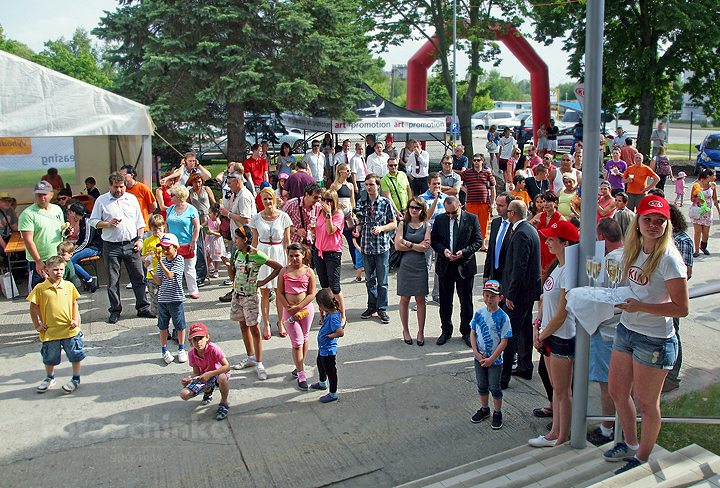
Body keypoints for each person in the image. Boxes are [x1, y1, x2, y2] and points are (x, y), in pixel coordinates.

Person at [605, 195, 688, 475]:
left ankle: (642, 456)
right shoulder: (635, 249)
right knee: (617, 391)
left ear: (667, 225)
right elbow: (636, 289)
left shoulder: (670, 259)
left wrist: (640, 306)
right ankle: (629, 443)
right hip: (627, 330)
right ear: (637, 222)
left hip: (654, 340)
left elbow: (681, 308)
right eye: (647, 219)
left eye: (660, 220)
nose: (653, 225)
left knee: (646, 403)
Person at [528, 220, 578, 448]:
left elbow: (561, 315)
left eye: (551, 239)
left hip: (560, 337)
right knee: (556, 390)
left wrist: (542, 334)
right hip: (548, 334)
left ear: (565, 243)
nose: (546, 241)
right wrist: (537, 326)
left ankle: (560, 435)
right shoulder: (557, 265)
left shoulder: (570, 272)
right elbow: (543, 302)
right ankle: (556, 430)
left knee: (561, 391)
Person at [89, 173, 153, 323]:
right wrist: (107, 224)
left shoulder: (131, 199)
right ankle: (115, 310)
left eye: (121, 186)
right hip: (111, 246)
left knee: (138, 277)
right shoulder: (101, 201)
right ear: (110, 186)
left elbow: (140, 221)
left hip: (131, 244)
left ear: (125, 185)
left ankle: (143, 307)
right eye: (115, 187)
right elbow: (92, 221)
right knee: (113, 281)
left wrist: (139, 239)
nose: (119, 189)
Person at [586, 217, 624, 445]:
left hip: (607, 330)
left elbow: (592, 294)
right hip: (628, 328)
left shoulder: (604, 261)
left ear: (601, 238)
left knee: (608, 385)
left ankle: (607, 428)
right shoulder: (633, 255)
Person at [227, 225, 282, 380]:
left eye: (237, 239)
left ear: (245, 240)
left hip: (251, 297)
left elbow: (278, 267)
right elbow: (233, 275)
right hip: (238, 296)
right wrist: (227, 267)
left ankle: (259, 362)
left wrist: (264, 281)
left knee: (255, 329)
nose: (235, 241)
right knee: (243, 326)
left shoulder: (258, 255)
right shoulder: (237, 253)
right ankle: (250, 357)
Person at [431, 196, 484, 346]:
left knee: (466, 301)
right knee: (445, 301)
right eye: (448, 213)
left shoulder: (472, 219)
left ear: (460, 206)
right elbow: (434, 240)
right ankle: (446, 330)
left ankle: (467, 331)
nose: (451, 216)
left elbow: (478, 241)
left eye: (453, 212)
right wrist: (443, 251)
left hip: (464, 266)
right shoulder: (441, 219)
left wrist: (464, 252)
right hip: (445, 266)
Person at [28, 255, 83, 394]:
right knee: (49, 357)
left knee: (75, 354)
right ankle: (49, 377)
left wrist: (75, 320)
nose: (58, 273)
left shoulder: (69, 286)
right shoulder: (40, 288)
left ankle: (76, 378)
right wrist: (37, 325)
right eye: (55, 270)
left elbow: (74, 303)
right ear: (46, 270)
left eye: (61, 270)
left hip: (69, 330)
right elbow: (33, 307)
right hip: (50, 331)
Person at [502, 200, 542, 389]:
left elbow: (519, 266)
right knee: (525, 330)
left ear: (513, 213)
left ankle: (503, 378)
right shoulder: (529, 230)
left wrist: (510, 294)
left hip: (519, 295)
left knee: (509, 335)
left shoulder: (521, 234)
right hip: (527, 294)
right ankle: (525, 366)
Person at [469, 280, 512, 430]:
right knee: (482, 385)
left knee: (495, 387)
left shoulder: (503, 317)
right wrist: (476, 353)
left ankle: (498, 412)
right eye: (486, 296)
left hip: (495, 361)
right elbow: (473, 332)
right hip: (479, 358)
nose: (489, 299)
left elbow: (504, 341)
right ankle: (484, 408)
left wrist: (492, 359)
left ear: (500, 298)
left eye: (492, 296)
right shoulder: (479, 313)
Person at [356, 174, 397, 324]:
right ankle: (371, 306)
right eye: (366, 184)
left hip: (381, 248)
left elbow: (394, 223)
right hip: (366, 247)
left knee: (383, 281)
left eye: (371, 184)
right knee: (370, 280)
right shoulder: (362, 202)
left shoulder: (385, 203)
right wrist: (357, 230)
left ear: (378, 186)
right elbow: (360, 221)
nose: (368, 187)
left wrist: (382, 228)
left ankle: (382, 308)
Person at [251, 188, 292, 339]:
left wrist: (289, 261)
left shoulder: (284, 217)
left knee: (279, 291)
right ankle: (266, 323)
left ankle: (280, 322)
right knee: (264, 292)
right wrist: (251, 261)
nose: (267, 202)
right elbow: (254, 241)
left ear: (274, 199)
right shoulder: (256, 218)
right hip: (262, 253)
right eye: (264, 199)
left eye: (270, 199)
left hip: (278, 253)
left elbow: (287, 241)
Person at [277, 243, 317, 390]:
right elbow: (279, 293)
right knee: (297, 341)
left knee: (305, 337)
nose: (294, 259)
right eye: (291, 256)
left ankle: (300, 364)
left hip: (305, 311)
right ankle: (301, 374)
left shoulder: (309, 271)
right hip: (289, 312)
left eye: (297, 255)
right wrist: (289, 308)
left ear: (303, 255)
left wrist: (299, 308)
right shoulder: (284, 271)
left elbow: (311, 294)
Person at [663, 204, 693, 393]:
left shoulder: (682, 240)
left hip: (672, 298)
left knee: (673, 335)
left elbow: (687, 272)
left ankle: (673, 378)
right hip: (656, 298)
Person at [395, 197, 431, 346]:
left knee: (420, 300)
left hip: (420, 266)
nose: (414, 210)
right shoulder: (403, 223)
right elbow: (397, 245)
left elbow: (426, 248)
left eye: (417, 207)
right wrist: (417, 245)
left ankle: (421, 331)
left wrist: (408, 243)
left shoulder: (427, 225)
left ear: (422, 209)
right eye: (411, 207)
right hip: (406, 265)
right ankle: (406, 330)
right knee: (405, 299)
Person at [19, 181, 65, 292]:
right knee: (38, 296)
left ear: (51, 194)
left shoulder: (57, 209)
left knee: (57, 293)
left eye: (44, 194)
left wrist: (66, 231)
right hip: (40, 261)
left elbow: (61, 230)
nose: (41, 197)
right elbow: (28, 240)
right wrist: (38, 261)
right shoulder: (28, 214)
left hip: (56, 258)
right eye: (39, 194)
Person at [149, 233, 188, 364]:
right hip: (163, 299)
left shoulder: (179, 259)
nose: (165, 251)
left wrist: (159, 261)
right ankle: (164, 350)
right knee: (163, 326)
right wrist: (150, 272)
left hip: (176, 299)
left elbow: (170, 275)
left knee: (180, 325)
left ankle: (181, 349)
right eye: (163, 249)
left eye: (167, 248)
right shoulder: (163, 261)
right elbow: (160, 281)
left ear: (175, 248)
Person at [180, 323, 231, 420]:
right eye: (194, 339)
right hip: (204, 376)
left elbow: (227, 366)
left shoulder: (213, 349)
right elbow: (196, 372)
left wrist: (210, 374)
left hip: (217, 373)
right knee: (184, 394)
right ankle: (208, 389)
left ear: (207, 338)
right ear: (190, 341)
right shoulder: (191, 353)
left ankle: (224, 403)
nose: (198, 342)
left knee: (222, 378)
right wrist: (190, 379)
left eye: (201, 338)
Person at [314, 189, 346, 323]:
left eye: (330, 200)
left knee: (335, 288)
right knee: (324, 286)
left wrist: (328, 215)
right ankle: (324, 314)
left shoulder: (337, 214)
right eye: (324, 200)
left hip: (333, 253)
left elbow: (330, 230)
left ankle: (342, 315)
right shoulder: (319, 212)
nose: (327, 203)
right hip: (319, 251)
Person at [165, 184, 201, 299]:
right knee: (173, 268)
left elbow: (197, 227)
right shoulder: (170, 209)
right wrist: (166, 239)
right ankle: (175, 290)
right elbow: (166, 224)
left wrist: (193, 241)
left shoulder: (191, 209)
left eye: (172, 195)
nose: (170, 197)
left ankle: (193, 290)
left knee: (189, 268)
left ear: (179, 196)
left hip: (186, 242)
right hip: (173, 244)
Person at [311, 289, 345, 403]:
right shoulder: (329, 313)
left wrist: (332, 336)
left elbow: (340, 332)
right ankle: (322, 382)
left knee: (330, 371)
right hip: (322, 348)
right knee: (320, 364)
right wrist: (321, 313)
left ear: (322, 305)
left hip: (328, 349)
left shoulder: (334, 317)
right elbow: (323, 321)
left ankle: (333, 393)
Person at [460, 154, 495, 245]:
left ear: (482, 161)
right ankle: (471, 243)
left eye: (478, 160)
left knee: (483, 224)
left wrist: (493, 203)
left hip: (484, 202)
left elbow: (492, 187)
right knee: (470, 224)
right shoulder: (467, 172)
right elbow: (459, 180)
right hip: (471, 202)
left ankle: (482, 244)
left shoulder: (487, 173)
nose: (476, 162)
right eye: (474, 160)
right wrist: (464, 189)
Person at [67, 203, 102, 293]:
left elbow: (87, 240)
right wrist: (76, 245)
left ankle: (89, 279)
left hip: (94, 248)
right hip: (87, 246)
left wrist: (75, 251)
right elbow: (82, 236)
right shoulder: (82, 220)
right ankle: (89, 279)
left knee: (70, 261)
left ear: (75, 213)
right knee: (70, 261)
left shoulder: (88, 220)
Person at [329, 163, 356, 267]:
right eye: (347, 171)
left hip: (348, 215)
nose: (349, 173)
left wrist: (353, 214)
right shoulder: (335, 185)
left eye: (349, 170)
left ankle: (355, 262)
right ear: (341, 172)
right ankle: (335, 261)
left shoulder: (350, 185)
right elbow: (330, 199)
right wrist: (338, 203)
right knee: (336, 239)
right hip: (338, 216)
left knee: (352, 239)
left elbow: (352, 200)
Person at [483, 192, 514, 283]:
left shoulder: (515, 226)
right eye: (497, 205)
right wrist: (486, 273)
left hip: (508, 274)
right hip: (494, 273)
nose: (497, 208)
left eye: (501, 205)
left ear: (510, 206)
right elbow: (491, 250)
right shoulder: (496, 223)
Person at [689, 168, 719, 257]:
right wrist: (697, 199)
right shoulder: (697, 185)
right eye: (714, 175)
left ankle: (703, 247)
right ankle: (697, 250)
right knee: (697, 232)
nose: (715, 177)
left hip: (708, 212)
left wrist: (718, 209)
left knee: (706, 233)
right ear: (708, 176)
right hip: (698, 211)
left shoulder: (713, 185)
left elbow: (715, 199)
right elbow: (691, 198)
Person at [120, 164, 157, 233]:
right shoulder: (121, 189)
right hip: (127, 228)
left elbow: (153, 205)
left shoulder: (143, 188)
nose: (121, 177)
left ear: (131, 175)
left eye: (123, 174)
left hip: (141, 228)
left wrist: (143, 213)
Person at [283, 182, 322, 248]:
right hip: (292, 244)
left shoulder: (318, 207)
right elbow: (280, 224)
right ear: (307, 195)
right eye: (315, 197)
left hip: (309, 245)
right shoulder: (291, 204)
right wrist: (296, 230)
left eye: (319, 197)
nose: (318, 200)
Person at [142, 214, 166, 318]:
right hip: (151, 274)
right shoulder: (147, 241)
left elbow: (173, 254)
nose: (157, 231)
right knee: (154, 298)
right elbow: (143, 256)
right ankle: (158, 317)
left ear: (163, 227)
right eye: (154, 229)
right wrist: (145, 260)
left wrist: (163, 241)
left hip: (164, 273)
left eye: (159, 228)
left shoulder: (167, 239)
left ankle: (166, 317)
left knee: (166, 298)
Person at [204, 205, 227, 279]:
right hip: (209, 239)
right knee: (208, 252)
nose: (209, 214)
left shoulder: (218, 222)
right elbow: (202, 225)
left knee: (216, 254)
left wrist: (212, 232)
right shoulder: (209, 220)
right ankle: (209, 267)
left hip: (215, 240)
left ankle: (216, 269)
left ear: (215, 214)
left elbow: (220, 234)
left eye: (210, 213)